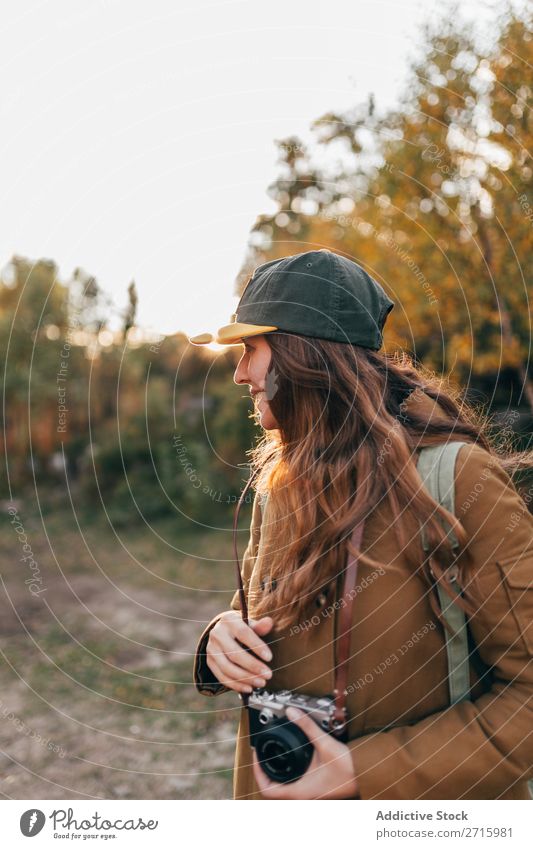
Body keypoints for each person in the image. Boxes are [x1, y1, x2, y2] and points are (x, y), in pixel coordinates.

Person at [189, 249, 533, 800]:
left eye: (250, 351)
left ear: (302, 357)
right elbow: (255, 616)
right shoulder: (277, 484)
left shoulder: (458, 481)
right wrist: (220, 642)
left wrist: (362, 774)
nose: (239, 374)